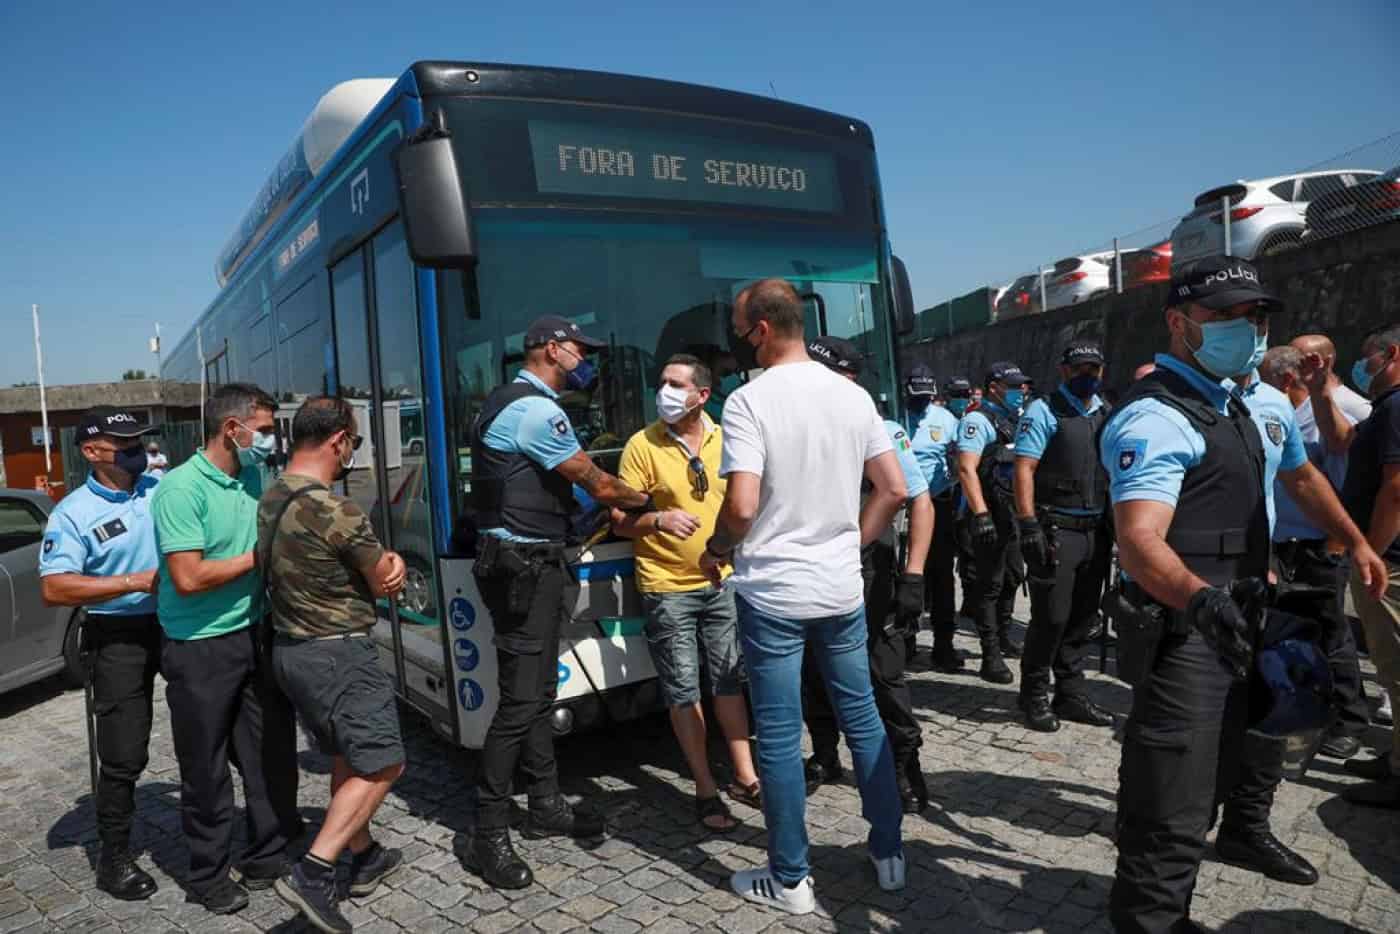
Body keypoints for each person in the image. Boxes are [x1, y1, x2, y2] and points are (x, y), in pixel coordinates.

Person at [1098, 256, 1385, 932]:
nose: (1246, 329)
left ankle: (1202, 875)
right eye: (1225, 316)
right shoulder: (1155, 417)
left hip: (1249, 610)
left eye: (1254, 317)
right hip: (1187, 625)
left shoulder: (1246, 402)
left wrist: (1359, 540)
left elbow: (1304, 478)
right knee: (1172, 795)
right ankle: (1149, 922)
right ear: (1178, 323)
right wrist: (1201, 600)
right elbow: (1141, 540)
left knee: (1239, 763)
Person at [699, 279, 906, 914]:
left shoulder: (747, 402)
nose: (737, 342)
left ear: (761, 329)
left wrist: (718, 548)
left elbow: (740, 504)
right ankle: (890, 855)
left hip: (773, 594)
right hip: (841, 588)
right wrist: (853, 543)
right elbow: (893, 488)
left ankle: (790, 878)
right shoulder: (852, 395)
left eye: (739, 329)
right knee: (863, 717)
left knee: (782, 735)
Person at [468, 315, 655, 889]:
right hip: (523, 570)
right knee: (520, 703)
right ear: (553, 349)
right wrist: (646, 494)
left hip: (532, 565)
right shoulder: (538, 410)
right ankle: (487, 832)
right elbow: (596, 482)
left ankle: (545, 803)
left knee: (542, 692)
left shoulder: (502, 401)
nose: (587, 360)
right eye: (581, 350)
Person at [151, 383, 302, 915]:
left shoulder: (254, 475)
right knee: (207, 767)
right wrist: (260, 556)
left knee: (269, 755)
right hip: (199, 648)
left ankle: (268, 852)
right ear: (230, 429)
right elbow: (188, 577)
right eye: (261, 429)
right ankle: (208, 874)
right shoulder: (180, 490)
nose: (268, 439)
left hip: (253, 633)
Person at [259, 398, 409, 933]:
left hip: (292, 652)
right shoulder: (335, 509)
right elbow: (383, 578)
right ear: (339, 440)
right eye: (356, 442)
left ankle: (364, 855)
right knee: (383, 763)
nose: (353, 452)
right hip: (339, 653)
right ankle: (316, 871)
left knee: (350, 752)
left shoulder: (271, 496)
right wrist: (395, 562)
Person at [609, 354, 760, 834]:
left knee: (729, 682)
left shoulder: (727, 436)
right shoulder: (641, 445)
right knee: (683, 689)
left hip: (722, 581)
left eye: (676, 384)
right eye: (661, 383)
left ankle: (744, 775)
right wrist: (658, 519)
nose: (665, 392)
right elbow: (619, 519)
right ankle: (704, 788)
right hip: (666, 586)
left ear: (702, 395)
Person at [801, 337, 933, 814]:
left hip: (871, 569)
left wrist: (914, 576)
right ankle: (823, 754)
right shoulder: (797, 426)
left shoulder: (881, 429)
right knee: (812, 664)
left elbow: (917, 499)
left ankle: (903, 763)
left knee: (884, 670)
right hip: (812, 564)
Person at [38, 407, 163, 901]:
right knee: (123, 751)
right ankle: (114, 858)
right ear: (92, 452)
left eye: (140, 444)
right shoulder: (72, 513)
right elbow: (55, 587)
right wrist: (132, 581)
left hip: (178, 624)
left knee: (215, 727)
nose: (138, 453)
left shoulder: (159, 490)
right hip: (118, 635)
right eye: (125, 445)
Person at [1259, 346, 1371, 761]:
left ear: (1286, 381)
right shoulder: (1278, 417)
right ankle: (1304, 708)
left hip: (1319, 547)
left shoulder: (1324, 418)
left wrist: (1337, 543)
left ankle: (1349, 719)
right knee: (1292, 631)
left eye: (1264, 379)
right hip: (1282, 544)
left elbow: (1340, 484)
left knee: (1333, 635)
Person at [1012, 342, 1116, 732]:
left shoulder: (1105, 412)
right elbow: (1024, 468)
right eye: (1079, 369)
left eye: (1094, 367)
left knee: (1084, 618)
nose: (1087, 375)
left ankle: (1070, 693)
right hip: (1057, 530)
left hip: (1096, 531)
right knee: (1051, 618)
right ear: (1064, 370)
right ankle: (1034, 694)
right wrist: (1028, 525)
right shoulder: (1045, 410)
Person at [1317, 324, 1400, 806]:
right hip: (1386, 556)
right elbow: (1344, 441)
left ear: (1389, 354)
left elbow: (1395, 488)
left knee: (1395, 668)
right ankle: (1394, 759)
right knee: (1388, 667)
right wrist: (1321, 389)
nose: (1361, 366)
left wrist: (1371, 551)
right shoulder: (1384, 411)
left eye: (1367, 357)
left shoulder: (1395, 407)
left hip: (1391, 560)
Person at [955, 360, 1029, 684]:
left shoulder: (1015, 419)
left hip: (1010, 513)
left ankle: (1003, 635)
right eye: (1013, 386)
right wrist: (981, 514)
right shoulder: (977, 420)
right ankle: (990, 655)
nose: (1020, 391)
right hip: (987, 514)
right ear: (994, 387)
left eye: (1021, 386)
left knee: (1013, 576)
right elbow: (966, 469)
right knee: (989, 585)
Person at [905, 367, 964, 672]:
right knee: (905, 576)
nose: (921, 402)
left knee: (941, 577)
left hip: (937, 504)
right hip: (900, 507)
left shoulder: (945, 420)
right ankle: (904, 640)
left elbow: (960, 459)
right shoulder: (894, 419)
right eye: (917, 397)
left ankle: (944, 644)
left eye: (927, 397)